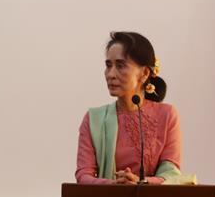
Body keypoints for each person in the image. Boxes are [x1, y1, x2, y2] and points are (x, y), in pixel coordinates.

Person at [75, 31, 181, 185]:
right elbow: (83, 175)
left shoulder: (167, 115)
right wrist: (115, 185)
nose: (111, 74)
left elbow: (171, 173)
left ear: (144, 73)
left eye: (120, 66)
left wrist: (141, 182)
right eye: (108, 65)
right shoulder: (94, 119)